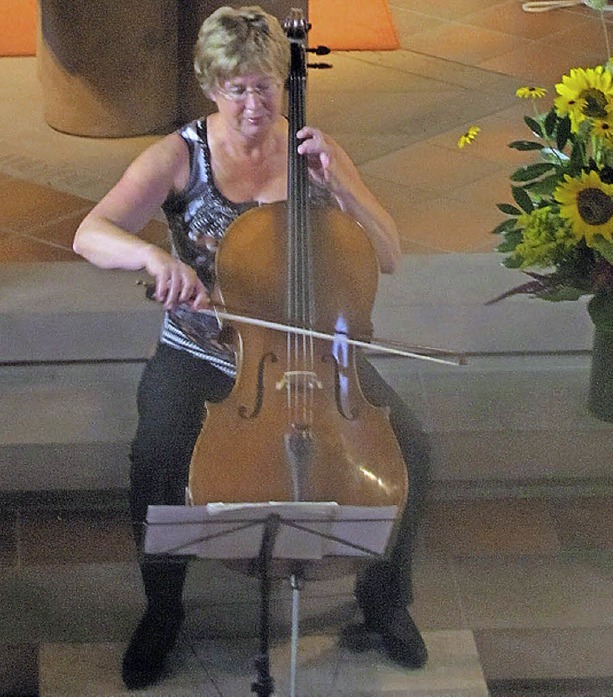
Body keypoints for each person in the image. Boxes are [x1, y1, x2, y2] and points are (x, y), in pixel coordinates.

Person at [73, 5, 430, 690]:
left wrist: (346, 188)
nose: (253, 103)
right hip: (206, 353)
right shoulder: (179, 155)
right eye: (237, 87)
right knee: (157, 458)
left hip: (318, 352)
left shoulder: (310, 150)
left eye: (265, 85)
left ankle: (384, 603)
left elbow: (388, 256)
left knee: (415, 452)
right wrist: (154, 262)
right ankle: (163, 608)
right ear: (211, 85)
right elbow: (90, 231)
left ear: (283, 82)